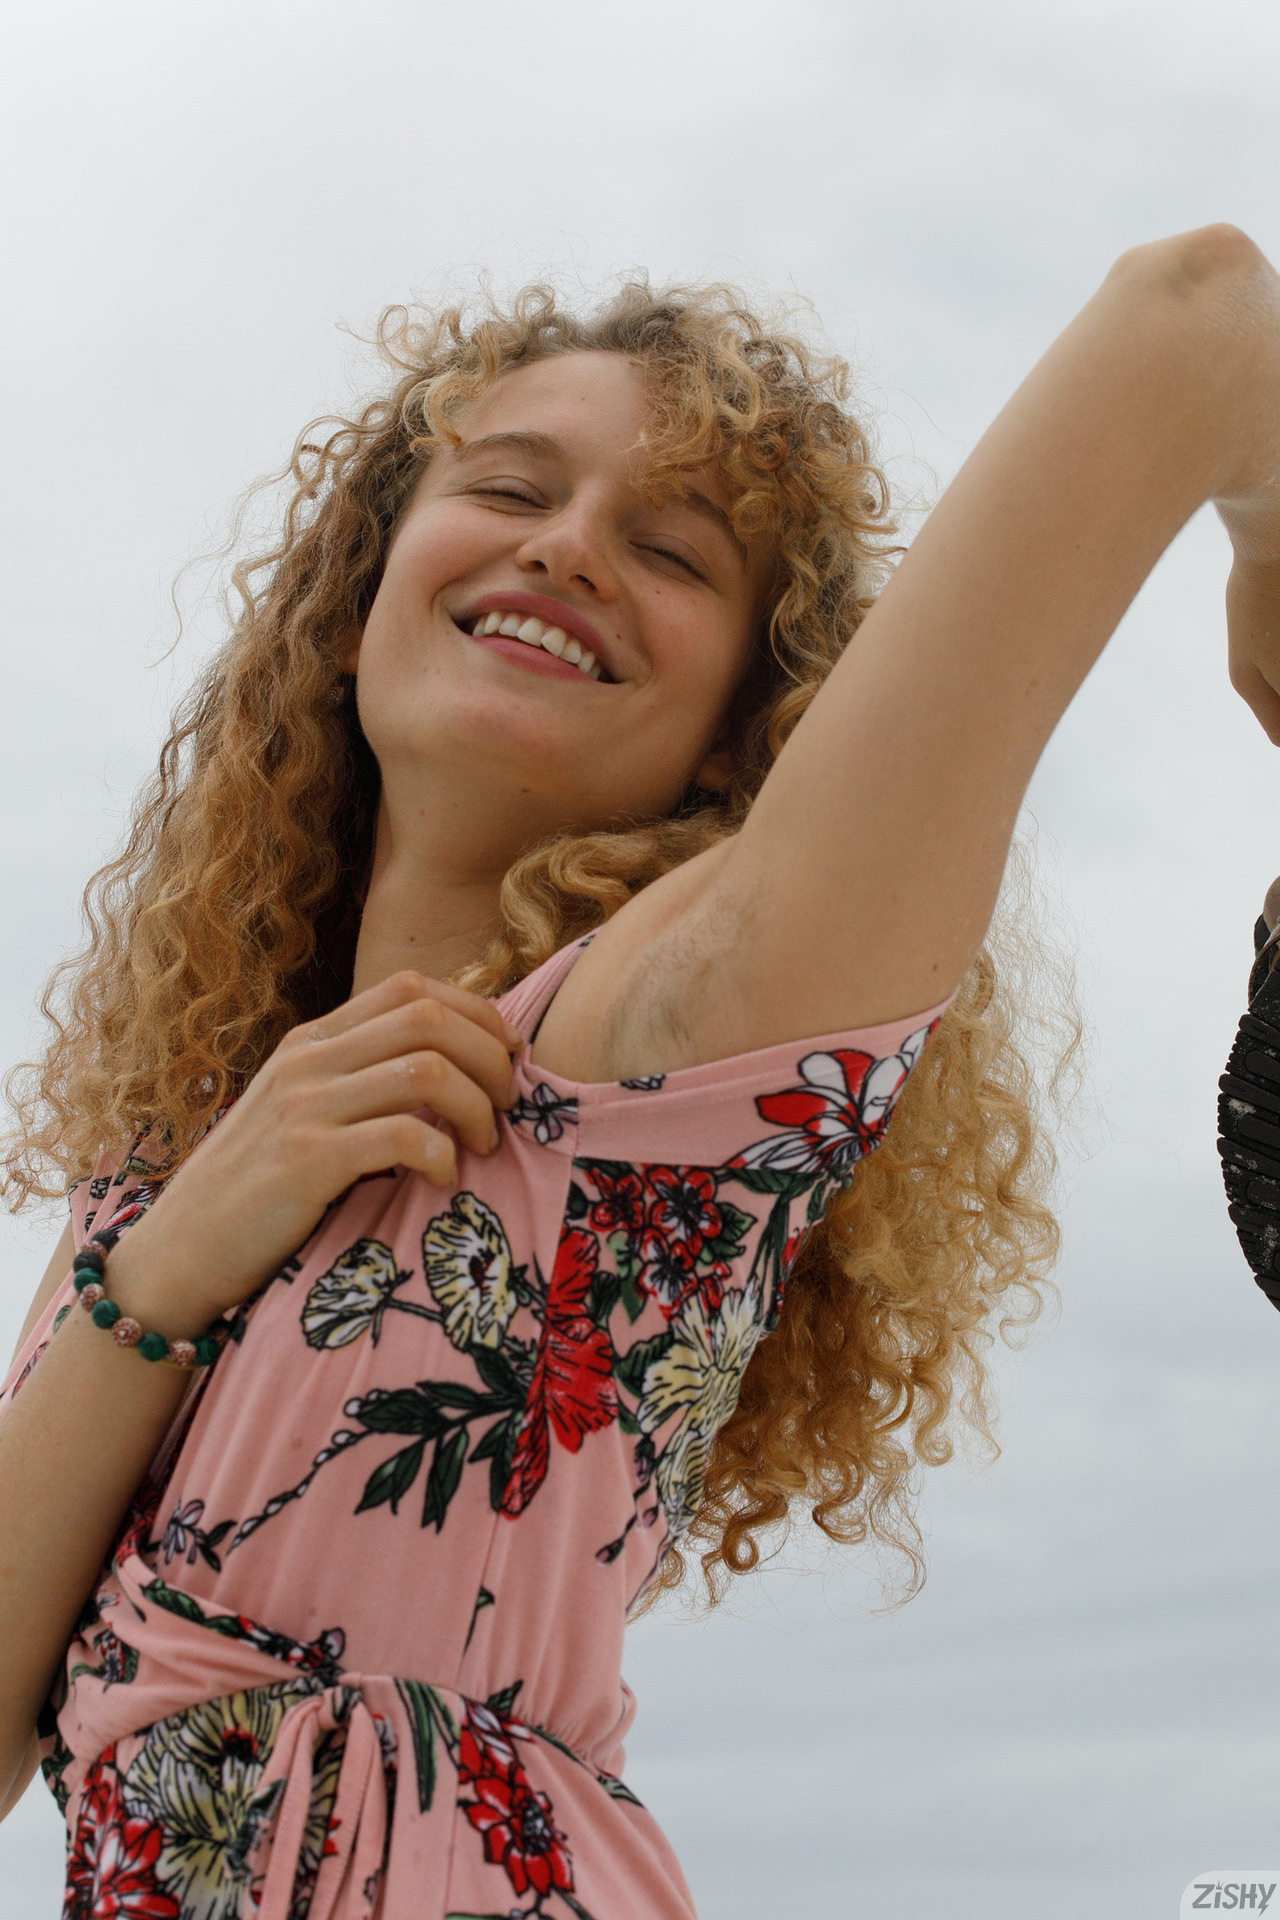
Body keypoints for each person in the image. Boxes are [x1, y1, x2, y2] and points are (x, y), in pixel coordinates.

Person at [1, 229, 1278, 1918]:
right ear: (357, 600)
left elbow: (1202, 313)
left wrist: (1272, 558)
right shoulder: (169, 1196)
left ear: (749, 730)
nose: (571, 545)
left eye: (673, 548)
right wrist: (167, 1262)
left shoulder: (669, 1050)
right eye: (509, 487)